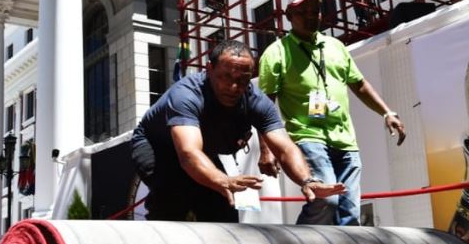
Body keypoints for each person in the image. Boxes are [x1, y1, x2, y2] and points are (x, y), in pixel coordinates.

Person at [131, 39, 345, 222]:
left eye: (242, 79)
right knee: (175, 193)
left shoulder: (256, 100)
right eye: (226, 76)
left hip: (204, 151)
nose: (234, 87)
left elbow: (285, 148)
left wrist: (308, 180)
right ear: (209, 69)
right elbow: (188, 154)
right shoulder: (186, 95)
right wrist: (223, 180)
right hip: (158, 146)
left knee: (224, 206)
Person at [258, 0, 406, 226]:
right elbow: (264, 106)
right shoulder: (276, 53)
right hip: (308, 138)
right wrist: (266, 150)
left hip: (346, 141)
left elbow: (359, 84)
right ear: (288, 15)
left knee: (350, 214)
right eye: (302, 11)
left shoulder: (335, 46)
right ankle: (299, 243)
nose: (310, 16)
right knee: (326, 201)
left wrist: (387, 112)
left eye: (315, 11)